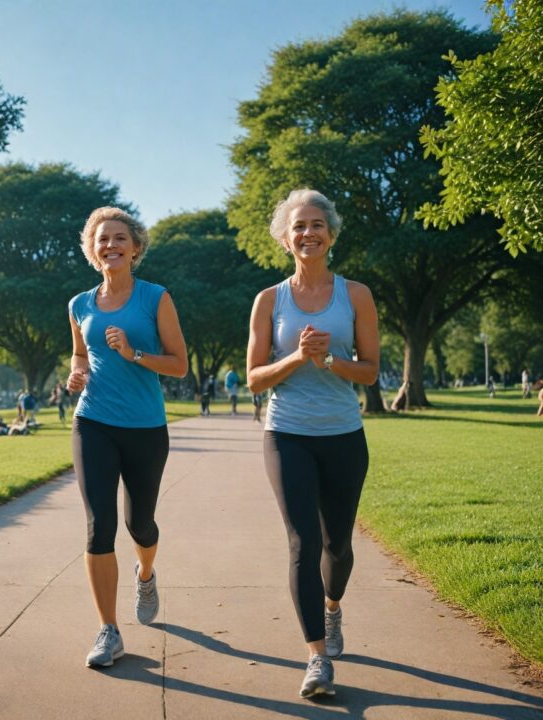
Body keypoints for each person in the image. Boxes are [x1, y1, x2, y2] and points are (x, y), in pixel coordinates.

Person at [247, 189, 379, 699]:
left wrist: (329, 363)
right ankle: (316, 658)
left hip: (344, 435)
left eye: (317, 225)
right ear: (285, 238)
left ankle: (332, 606)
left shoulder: (357, 295)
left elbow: (368, 372)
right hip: (286, 434)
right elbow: (256, 379)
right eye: (298, 226)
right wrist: (298, 359)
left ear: (331, 235)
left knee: (337, 546)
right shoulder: (269, 301)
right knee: (302, 542)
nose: (308, 233)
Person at [67, 206, 188, 669]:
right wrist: (76, 376)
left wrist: (134, 352)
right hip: (93, 422)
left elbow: (178, 364)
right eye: (102, 240)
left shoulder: (156, 298)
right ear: (92, 251)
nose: (111, 246)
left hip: (145, 428)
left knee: (141, 524)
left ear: (135, 248)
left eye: (120, 238)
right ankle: (108, 631)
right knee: (100, 525)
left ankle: (146, 571)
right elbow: (79, 356)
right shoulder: (79, 304)